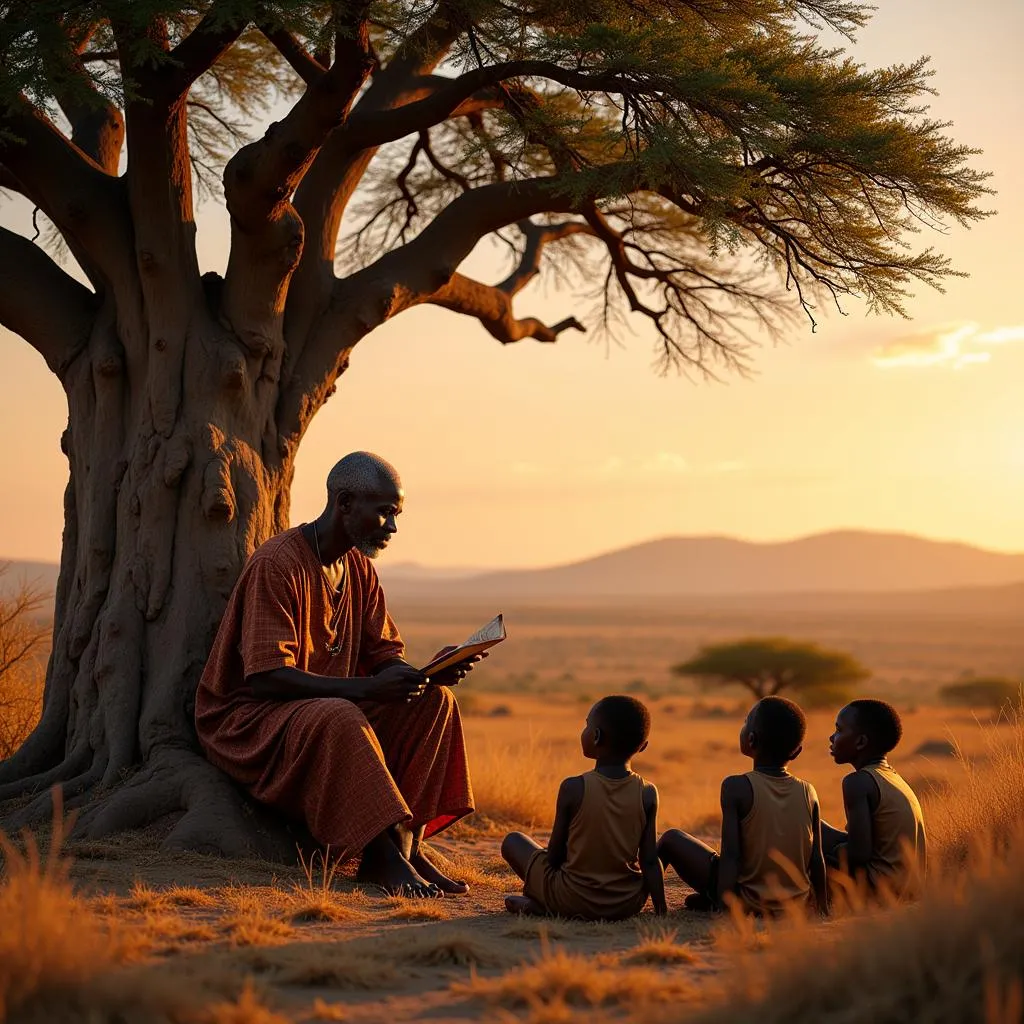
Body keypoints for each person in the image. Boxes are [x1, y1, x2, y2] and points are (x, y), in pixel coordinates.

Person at [195, 452, 481, 898]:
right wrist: (366, 688)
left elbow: (385, 655)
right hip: (252, 723)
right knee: (340, 715)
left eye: (396, 514)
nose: (392, 527)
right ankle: (381, 858)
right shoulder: (279, 564)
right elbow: (267, 679)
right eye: (384, 512)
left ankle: (407, 846)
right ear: (344, 503)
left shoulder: (360, 569)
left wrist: (428, 673)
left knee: (434, 703)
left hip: (321, 712)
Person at [500, 695, 667, 921]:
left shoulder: (574, 787)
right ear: (643, 746)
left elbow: (555, 857)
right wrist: (661, 912)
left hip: (570, 898)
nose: (585, 730)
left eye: (587, 724)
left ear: (596, 736)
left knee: (513, 841)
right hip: (624, 904)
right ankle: (546, 905)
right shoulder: (648, 792)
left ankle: (545, 907)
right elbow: (648, 860)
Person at [658, 695, 828, 917]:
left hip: (747, 901)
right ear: (796, 751)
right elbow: (816, 858)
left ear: (751, 739)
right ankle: (711, 898)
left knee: (671, 838)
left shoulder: (737, 786)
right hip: (794, 904)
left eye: (746, 721)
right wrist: (822, 907)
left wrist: (724, 907)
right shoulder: (809, 791)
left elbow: (731, 856)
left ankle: (641, 894)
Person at [823, 699, 927, 898]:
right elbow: (870, 843)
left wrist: (824, 852)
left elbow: (858, 854)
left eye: (839, 730)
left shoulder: (858, 782)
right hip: (908, 891)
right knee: (813, 826)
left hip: (878, 892)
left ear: (861, 742)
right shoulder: (893, 778)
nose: (832, 737)